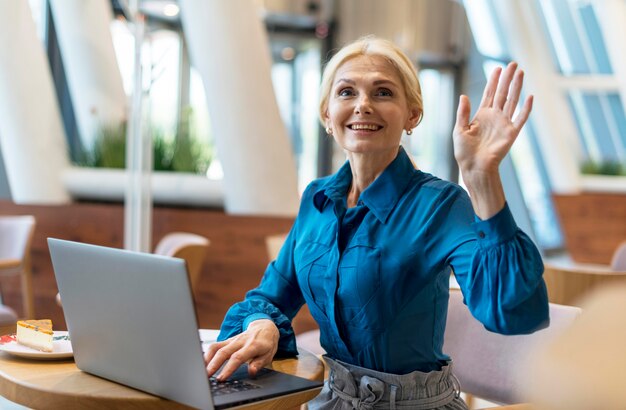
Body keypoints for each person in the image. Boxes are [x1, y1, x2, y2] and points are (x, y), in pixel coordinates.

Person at [205, 36, 549, 409]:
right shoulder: (317, 200)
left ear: (412, 115)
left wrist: (482, 178)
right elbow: (269, 296)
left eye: (383, 93)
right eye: (346, 92)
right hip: (329, 400)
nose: (363, 105)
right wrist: (262, 325)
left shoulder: (440, 204)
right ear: (326, 114)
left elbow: (514, 312)